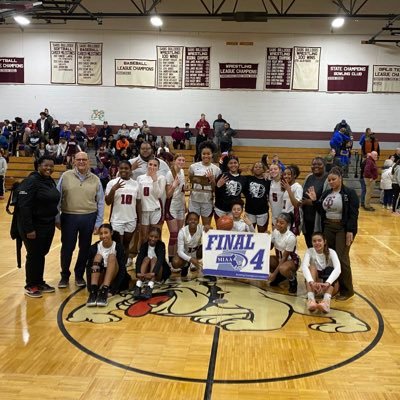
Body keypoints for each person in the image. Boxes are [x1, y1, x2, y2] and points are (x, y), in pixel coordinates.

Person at [306, 166, 359, 301]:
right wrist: (314, 201)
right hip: (328, 227)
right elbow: (321, 210)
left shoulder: (349, 193)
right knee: (329, 256)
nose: (331, 182)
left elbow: (353, 214)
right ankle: (334, 285)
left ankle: (348, 290)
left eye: (333, 179)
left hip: (342, 228)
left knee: (342, 258)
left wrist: (350, 231)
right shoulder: (327, 193)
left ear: (340, 178)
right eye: (329, 180)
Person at [57, 151, 104, 288]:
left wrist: (98, 222)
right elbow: (57, 198)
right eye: (79, 159)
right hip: (69, 216)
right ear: (74, 161)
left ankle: (79, 275)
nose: (82, 162)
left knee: (84, 248)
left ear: (88, 161)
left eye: (84, 159)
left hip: (89, 217)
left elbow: (100, 202)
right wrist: (56, 217)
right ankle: (64, 276)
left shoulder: (95, 179)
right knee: (67, 248)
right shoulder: (65, 176)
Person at [16, 156, 60, 297]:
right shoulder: (31, 181)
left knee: (41, 254)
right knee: (34, 255)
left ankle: (39, 281)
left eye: (51, 166)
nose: (49, 168)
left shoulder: (48, 181)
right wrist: (29, 229)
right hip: (33, 226)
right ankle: (31, 285)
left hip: (47, 224)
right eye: (46, 165)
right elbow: (24, 206)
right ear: (38, 166)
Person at [86, 224, 128, 307]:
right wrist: (90, 288)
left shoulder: (119, 247)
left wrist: (112, 290)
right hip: (99, 277)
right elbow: (88, 268)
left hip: (112, 279)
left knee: (112, 256)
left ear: (111, 233)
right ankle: (94, 292)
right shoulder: (94, 248)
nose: (103, 236)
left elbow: (122, 270)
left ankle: (104, 291)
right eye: (101, 233)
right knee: (98, 256)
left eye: (106, 233)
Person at [105, 160, 140, 260]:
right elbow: (108, 202)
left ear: (130, 170)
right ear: (118, 169)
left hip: (131, 219)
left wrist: (139, 221)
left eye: (126, 168)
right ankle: (117, 267)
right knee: (118, 245)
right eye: (121, 168)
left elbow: (138, 203)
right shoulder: (112, 183)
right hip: (117, 219)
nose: (124, 170)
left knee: (126, 245)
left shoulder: (136, 184)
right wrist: (113, 190)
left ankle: (123, 269)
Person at [302, 232, 341, 313]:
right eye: (314, 241)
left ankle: (326, 302)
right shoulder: (310, 251)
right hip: (315, 287)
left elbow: (338, 269)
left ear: (324, 241)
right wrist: (311, 282)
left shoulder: (332, 252)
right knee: (311, 267)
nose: (317, 243)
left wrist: (327, 283)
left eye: (319, 240)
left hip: (329, 288)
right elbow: (304, 267)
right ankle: (311, 300)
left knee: (330, 269)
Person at [188, 141, 221, 227]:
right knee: (192, 226)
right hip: (194, 201)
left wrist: (212, 180)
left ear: (212, 154)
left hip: (207, 202)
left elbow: (216, 189)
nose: (206, 156)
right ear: (201, 154)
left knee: (206, 227)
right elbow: (190, 181)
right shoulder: (193, 167)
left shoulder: (216, 169)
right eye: (204, 154)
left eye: (208, 154)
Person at [136, 157, 166, 246]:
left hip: (155, 210)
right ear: (147, 165)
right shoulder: (140, 178)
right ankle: (143, 255)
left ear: (158, 168)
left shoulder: (161, 178)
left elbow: (159, 195)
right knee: (144, 236)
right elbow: (138, 196)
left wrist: (154, 180)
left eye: (155, 165)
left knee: (156, 235)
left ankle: (157, 256)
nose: (152, 167)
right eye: (150, 164)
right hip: (144, 210)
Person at [268, 212, 300, 294]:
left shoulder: (291, 237)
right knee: (266, 261)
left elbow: (284, 258)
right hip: (280, 259)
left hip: (292, 261)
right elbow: (270, 247)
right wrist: (266, 238)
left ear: (288, 225)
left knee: (283, 268)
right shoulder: (275, 231)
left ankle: (293, 281)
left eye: (281, 223)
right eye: (277, 222)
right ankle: (280, 277)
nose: (278, 224)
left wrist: (273, 274)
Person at [133, 227, 168, 299]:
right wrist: (138, 272)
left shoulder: (161, 245)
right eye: (151, 236)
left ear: (159, 238)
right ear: (148, 235)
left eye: (156, 237)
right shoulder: (144, 245)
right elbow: (139, 259)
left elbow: (160, 260)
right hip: (146, 274)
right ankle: (138, 285)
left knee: (154, 259)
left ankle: (150, 286)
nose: (153, 239)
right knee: (146, 258)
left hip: (157, 272)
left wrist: (154, 273)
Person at [302, 157, 328, 247]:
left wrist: (312, 202)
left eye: (319, 164)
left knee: (319, 247)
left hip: (320, 220)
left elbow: (329, 200)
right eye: (313, 164)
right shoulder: (308, 177)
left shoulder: (328, 179)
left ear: (324, 166)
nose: (316, 166)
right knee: (310, 245)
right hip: (307, 218)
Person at [165, 154, 186, 263]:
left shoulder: (182, 172)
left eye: (183, 160)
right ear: (174, 161)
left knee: (179, 235)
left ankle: (177, 257)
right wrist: (173, 185)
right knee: (173, 234)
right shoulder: (169, 174)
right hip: (171, 206)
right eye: (179, 160)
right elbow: (168, 195)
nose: (181, 162)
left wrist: (185, 205)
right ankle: (170, 259)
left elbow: (182, 192)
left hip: (180, 206)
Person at [171, 212, 205, 281]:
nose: (193, 221)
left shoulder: (201, 228)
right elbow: (180, 252)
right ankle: (185, 265)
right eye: (190, 219)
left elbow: (211, 234)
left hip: (196, 252)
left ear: (198, 221)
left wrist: (209, 228)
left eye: (195, 219)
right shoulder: (182, 232)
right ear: (187, 221)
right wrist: (190, 259)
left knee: (206, 247)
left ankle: (208, 270)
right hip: (185, 253)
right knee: (175, 262)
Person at [214, 155, 246, 220]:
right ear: (227, 165)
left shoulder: (243, 179)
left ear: (238, 164)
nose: (233, 165)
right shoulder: (223, 176)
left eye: (235, 163)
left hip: (233, 211)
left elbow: (246, 193)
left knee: (232, 229)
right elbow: (216, 192)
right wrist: (218, 186)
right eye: (230, 163)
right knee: (220, 229)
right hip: (220, 209)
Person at [243, 162, 271, 233]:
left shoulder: (267, 181)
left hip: (262, 211)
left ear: (263, 169)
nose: (258, 168)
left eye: (260, 167)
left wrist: (269, 174)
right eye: (256, 167)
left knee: (262, 233)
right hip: (249, 211)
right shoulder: (247, 178)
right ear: (252, 169)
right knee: (249, 233)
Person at [281, 164, 303, 236]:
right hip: (285, 217)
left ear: (294, 175)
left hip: (293, 219)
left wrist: (289, 190)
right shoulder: (287, 186)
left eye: (289, 174)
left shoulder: (297, 187)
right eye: (285, 174)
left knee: (290, 241)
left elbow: (296, 204)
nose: (286, 176)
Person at [269, 163, 284, 228]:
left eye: (275, 169)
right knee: (275, 235)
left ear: (280, 170)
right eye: (271, 169)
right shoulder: (270, 182)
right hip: (274, 215)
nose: (273, 171)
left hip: (284, 215)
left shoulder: (284, 182)